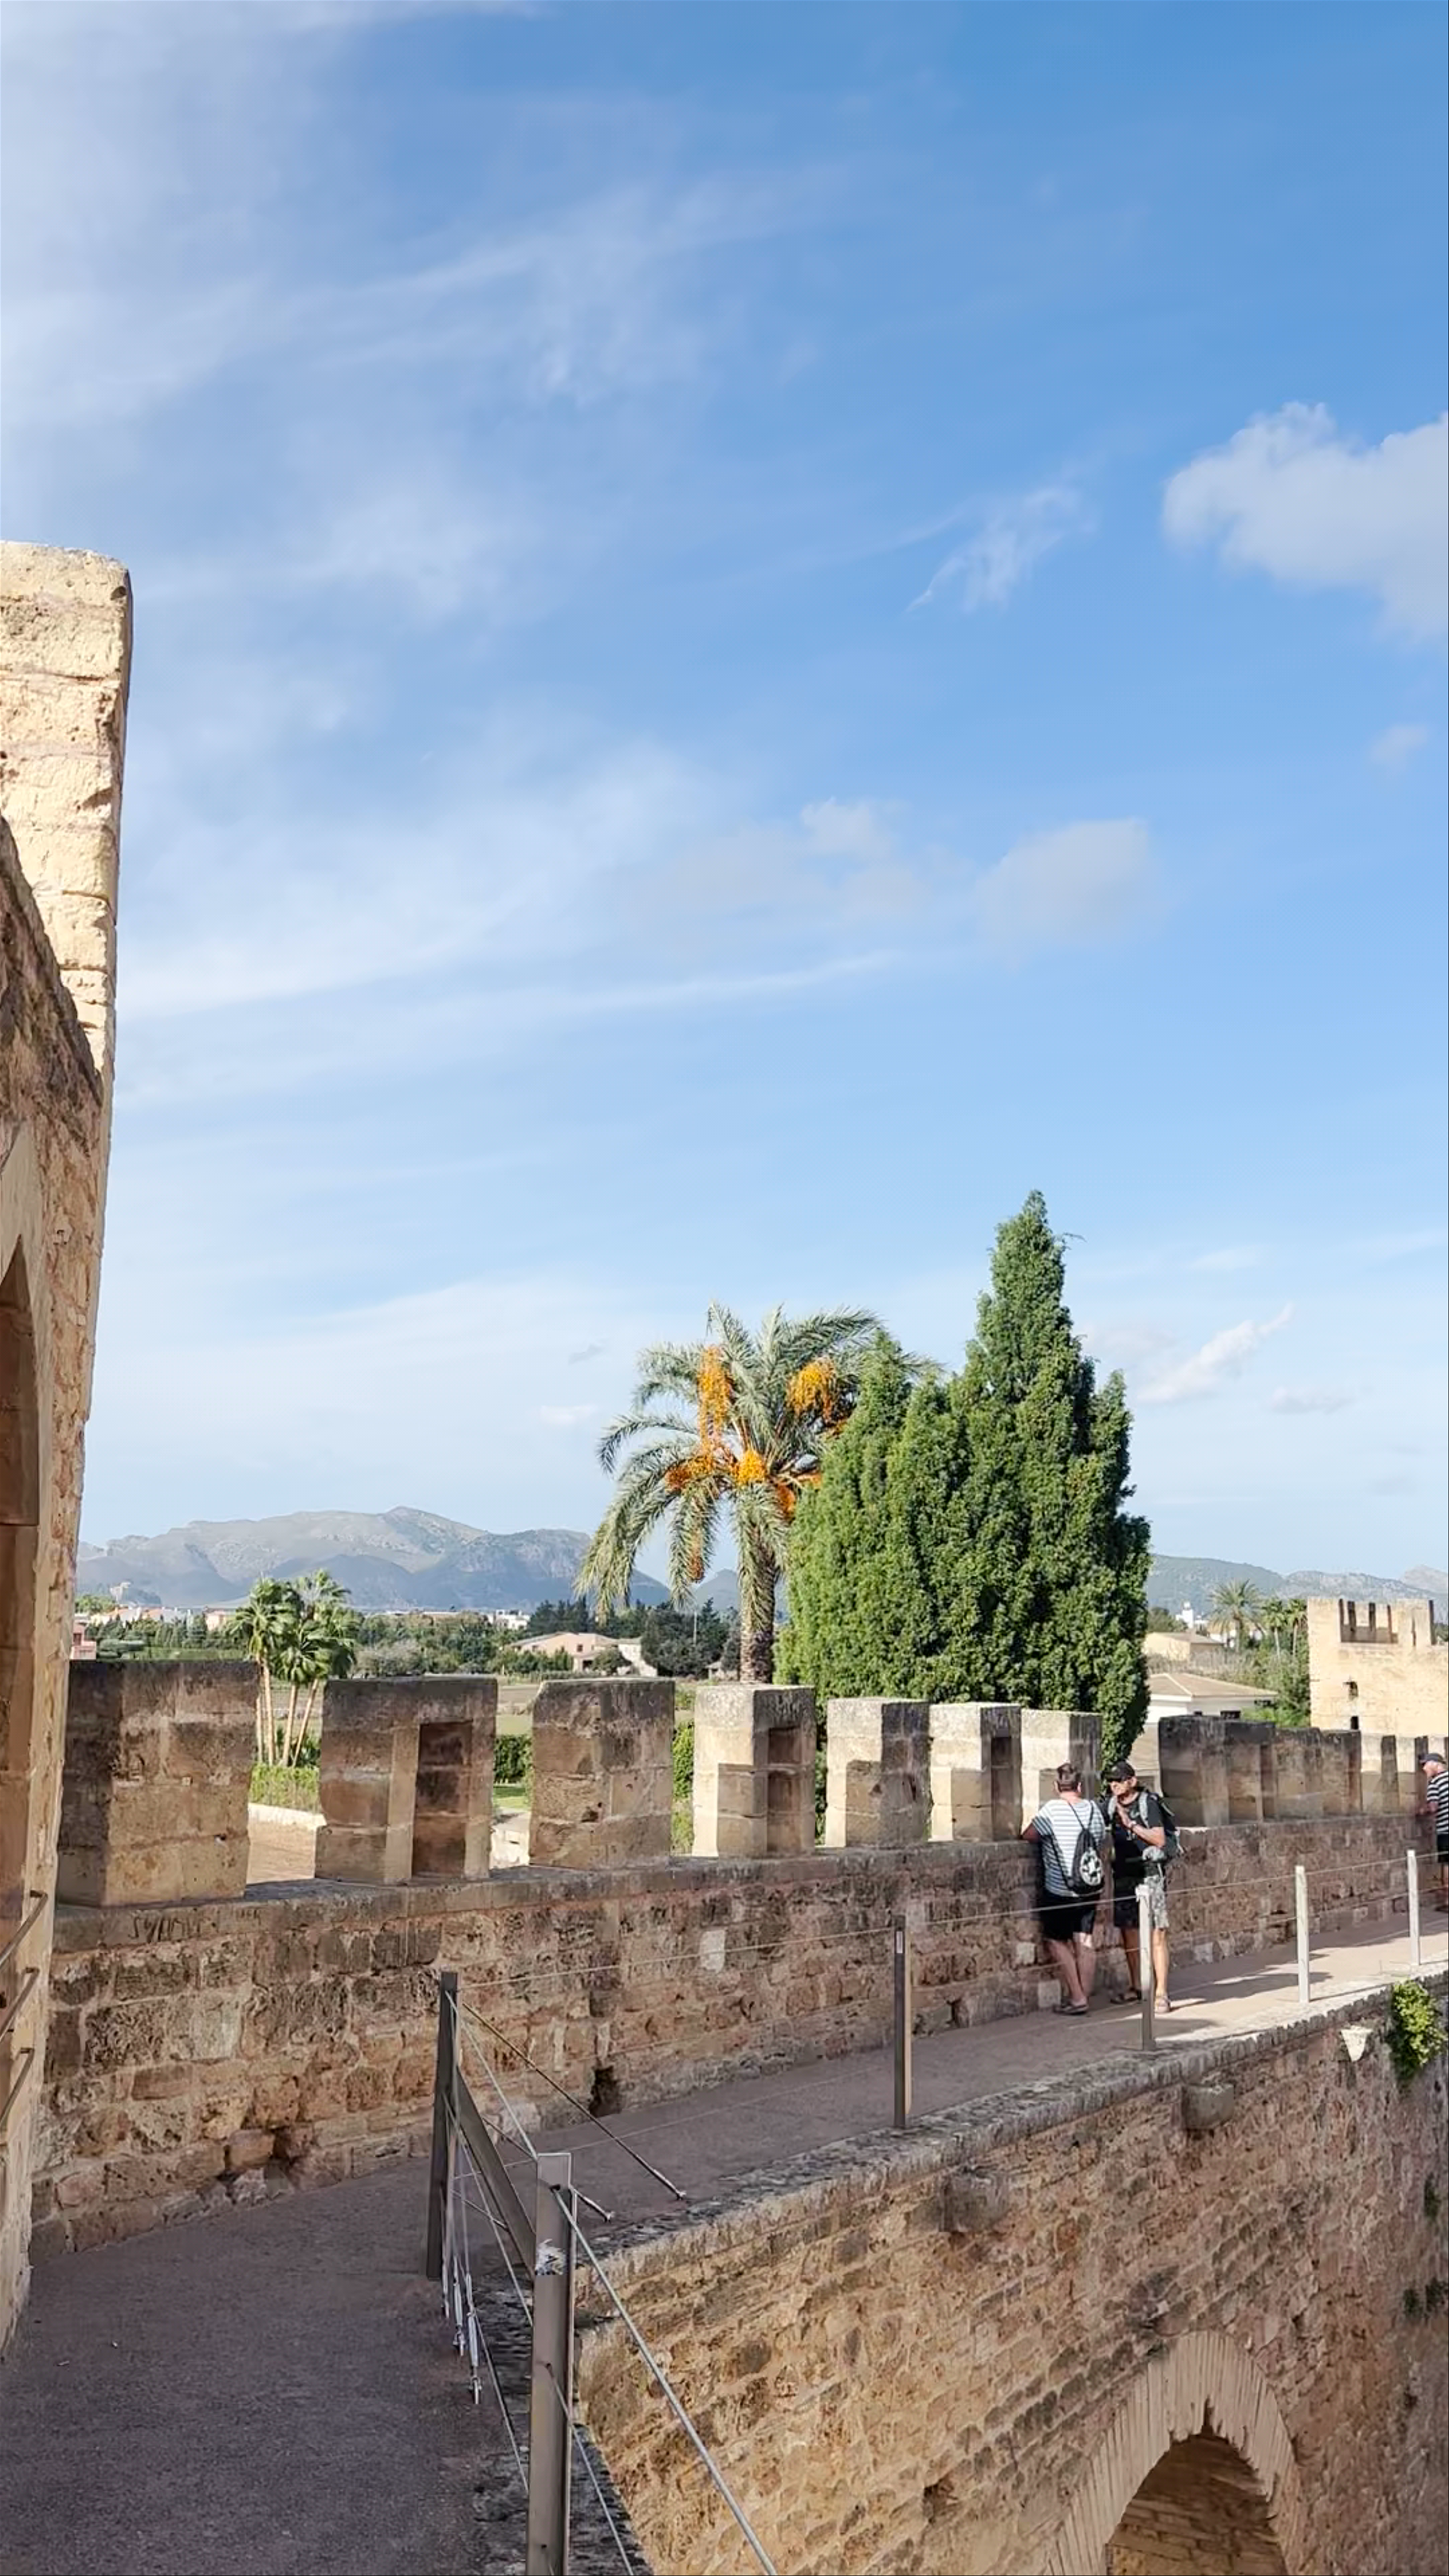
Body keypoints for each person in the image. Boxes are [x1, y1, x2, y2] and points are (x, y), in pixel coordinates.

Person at [1023, 1762, 1106, 2015]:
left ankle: (1078, 1997)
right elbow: (1101, 1838)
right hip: (1090, 1886)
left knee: (1056, 1940)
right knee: (1085, 1940)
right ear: (1080, 1786)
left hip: (1061, 1890)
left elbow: (1029, 1834)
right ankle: (1086, 1993)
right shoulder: (1093, 1809)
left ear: (1056, 1787)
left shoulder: (1052, 1810)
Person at [1105, 1759, 1172, 2010]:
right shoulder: (1110, 1805)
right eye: (1111, 1781)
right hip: (1123, 1874)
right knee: (1129, 1933)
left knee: (1158, 1932)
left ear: (1131, 1781)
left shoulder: (1149, 1803)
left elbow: (1159, 1838)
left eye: (1119, 1780)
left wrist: (1130, 1823)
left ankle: (1162, 1992)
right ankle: (1138, 1986)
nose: (1114, 1785)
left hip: (1150, 1874)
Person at [1421, 1753, 1449, 1913]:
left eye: (1425, 1765)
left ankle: (1447, 1901)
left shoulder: (1435, 1783)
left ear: (1435, 1764)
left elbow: (1433, 1808)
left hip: (1446, 1831)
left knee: (1447, 1865)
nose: (1424, 1769)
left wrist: (1421, 1811)